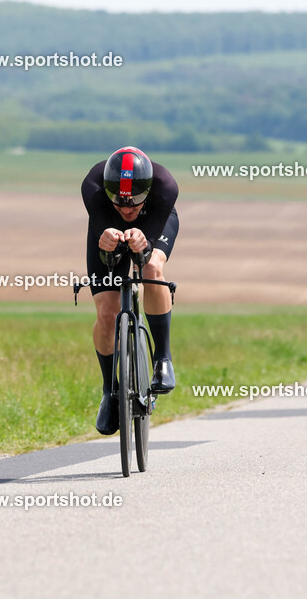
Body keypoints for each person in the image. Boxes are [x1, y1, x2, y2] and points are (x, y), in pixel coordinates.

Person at [81, 146, 179, 435]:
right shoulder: (93, 185)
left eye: (134, 203)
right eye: (120, 203)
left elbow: (148, 248)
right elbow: (101, 229)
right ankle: (110, 391)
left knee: (152, 269)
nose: (126, 210)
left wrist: (144, 242)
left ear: (147, 191)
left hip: (153, 225)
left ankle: (162, 359)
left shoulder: (165, 186)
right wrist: (106, 237)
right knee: (108, 313)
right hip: (106, 232)